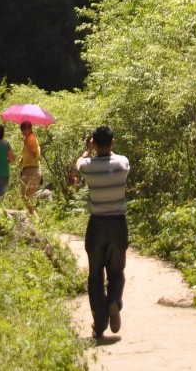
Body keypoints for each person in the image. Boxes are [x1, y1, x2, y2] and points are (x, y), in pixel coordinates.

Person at [69, 124, 130, 343]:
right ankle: (113, 300)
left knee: (95, 276)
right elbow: (117, 160)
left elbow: (78, 163)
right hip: (117, 223)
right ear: (112, 142)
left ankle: (100, 322)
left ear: (94, 143)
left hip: (96, 226)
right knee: (116, 271)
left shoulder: (87, 165)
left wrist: (87, 150)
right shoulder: (122, 163)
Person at [19, 121, 42, 211]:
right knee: (27, 197)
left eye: (23, 129)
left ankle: (36, 218)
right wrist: (22, 159)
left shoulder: (30, 139)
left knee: (24, 196)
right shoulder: (29, 138)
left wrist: (27, 145)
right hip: (32, 169)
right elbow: (31, 156)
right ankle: (34, 218)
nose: (22, 132)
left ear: (28, 129)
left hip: (31, 171)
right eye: (21, 130)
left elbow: (33, 154)